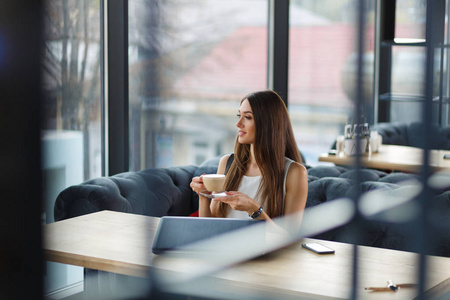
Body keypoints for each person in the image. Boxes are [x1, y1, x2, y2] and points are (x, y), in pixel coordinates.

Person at [190, 90, 308, 227]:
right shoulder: (227, 163)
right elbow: (208, 228)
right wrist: (203, 196)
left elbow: (289, 239)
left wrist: (254, 209)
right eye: (239, 115)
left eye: (248, 117)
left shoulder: (295, 172)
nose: (238, 123)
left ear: (268, 123)